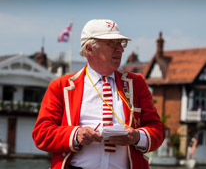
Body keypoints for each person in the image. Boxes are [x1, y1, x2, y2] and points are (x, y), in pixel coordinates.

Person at [32, 19, 165, 169]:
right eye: (112, 43)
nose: (120, 49)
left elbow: (158, 130)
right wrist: (76, 134)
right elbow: (41, 134)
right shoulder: (61, 86)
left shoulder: (137, 83)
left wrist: (137, 137)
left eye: (121, 43)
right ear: (89, 49)